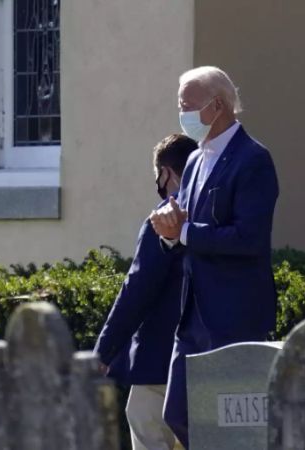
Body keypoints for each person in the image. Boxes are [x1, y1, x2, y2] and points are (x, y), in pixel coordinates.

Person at [149, 66, 279, 448]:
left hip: (234, 313)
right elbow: (182, 222)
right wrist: (168, 232)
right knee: (178, 413)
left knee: (236, 424)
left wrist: (185, 232)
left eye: (187, 106)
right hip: (193, 314)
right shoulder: (193, 161)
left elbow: (248, 237)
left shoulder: (253, 159)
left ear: (217, 105)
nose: (183, 115)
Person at [94, 134, 198, 450]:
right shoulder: (214, 213)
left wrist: (104, 350)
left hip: (161, 361)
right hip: (212, 353)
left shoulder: (163, 218)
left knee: (144, 420)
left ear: (166, 173)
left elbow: (138, 287)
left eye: (158, 176)